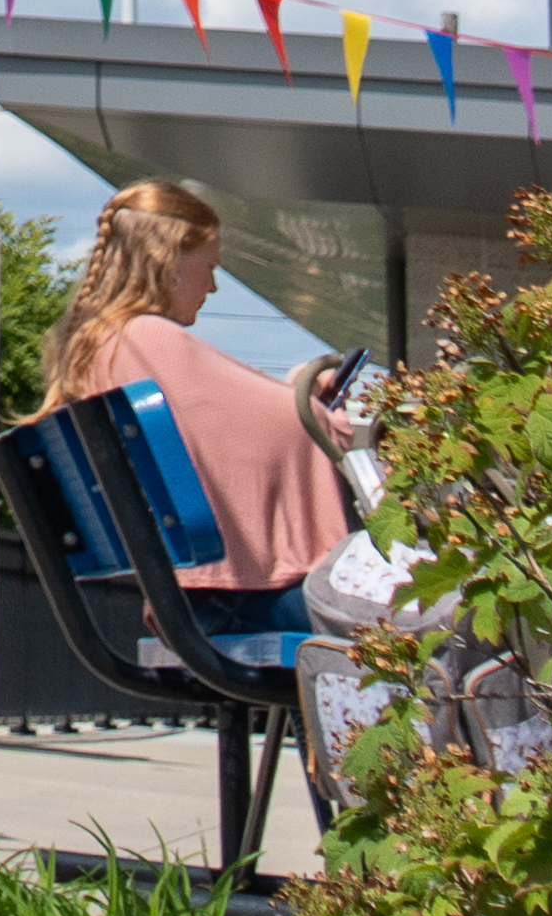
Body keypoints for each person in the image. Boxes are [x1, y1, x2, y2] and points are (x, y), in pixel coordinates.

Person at [30, 177, 387, 637]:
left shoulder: (105, 344)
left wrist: (291, 392)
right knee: (441, 626)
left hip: (197, 604)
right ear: (171, 258)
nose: (214, 286)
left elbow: (229, 427)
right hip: (242, 600)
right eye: (210, 266)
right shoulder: (145, 339)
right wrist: (308, 401)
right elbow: (303, 424)